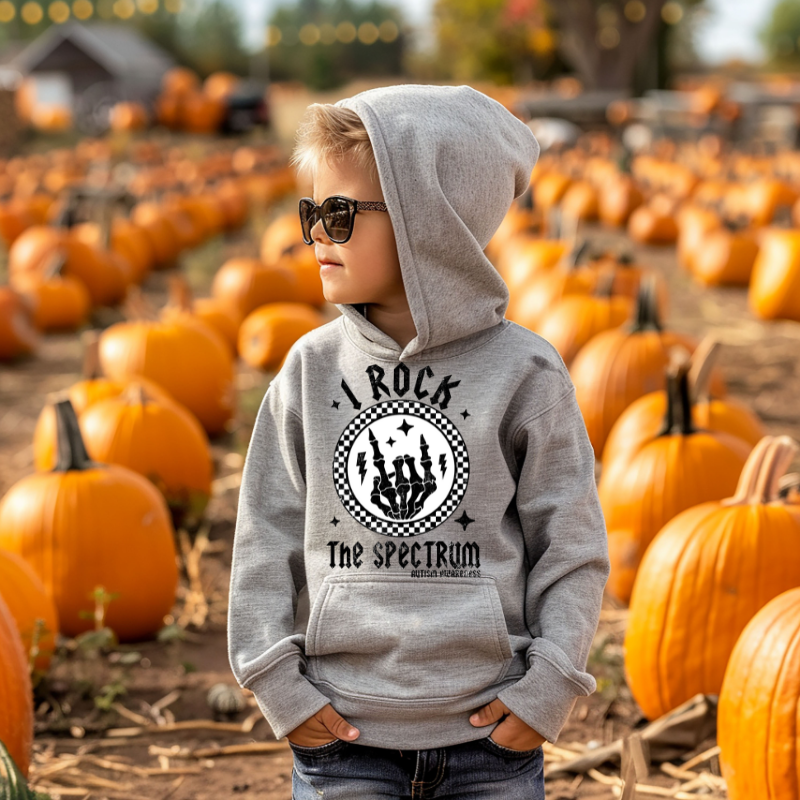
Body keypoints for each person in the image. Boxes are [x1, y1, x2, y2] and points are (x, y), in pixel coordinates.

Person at [227, 84, 610, 800]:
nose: (315, 235)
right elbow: (262, 538)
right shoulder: (310, 370)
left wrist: (549, 689)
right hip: (343, 742)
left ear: (427, 221)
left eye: (339, 214)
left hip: (490, 746)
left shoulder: (525, 373)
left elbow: (572, 546)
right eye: (311, 212)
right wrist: (280, 687)